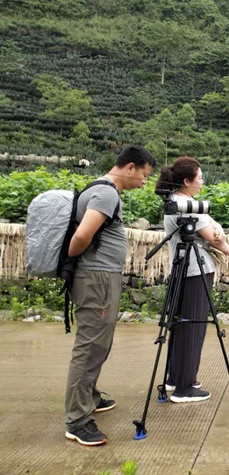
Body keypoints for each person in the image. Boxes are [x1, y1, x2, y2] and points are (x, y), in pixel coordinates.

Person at [65, 145, 156, 446]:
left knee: (99, 343)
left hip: (99, 277)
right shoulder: (106, 193)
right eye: (144, 175)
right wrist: (76, 261)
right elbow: (81, 237)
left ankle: (90, 396)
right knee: (90, 347)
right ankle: (78, 421)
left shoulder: (101, 189)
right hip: (97, 279)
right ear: (130, 167)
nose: (144, 182)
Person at [156, 156, 229, 403]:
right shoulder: (185, 204)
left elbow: (212, 225)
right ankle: (185, 387)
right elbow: (212, 236)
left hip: (181, 268)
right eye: (199, 177)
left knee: (179, 324)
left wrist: (216, 227)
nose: (202, 181)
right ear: (186, 181)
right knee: (193, 326)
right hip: (195, 270)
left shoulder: (178, 202)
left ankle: (174, 378)